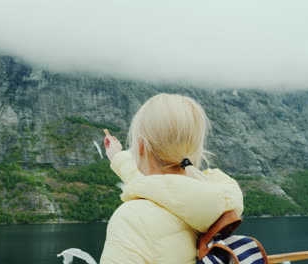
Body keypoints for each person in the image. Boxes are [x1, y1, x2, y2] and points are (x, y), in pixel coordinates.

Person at [100, 93, 244, 264]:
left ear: (140, 146)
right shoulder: (220, 202)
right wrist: (118, 158)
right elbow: (166, 190)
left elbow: (160, 189)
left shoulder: (132, 218)